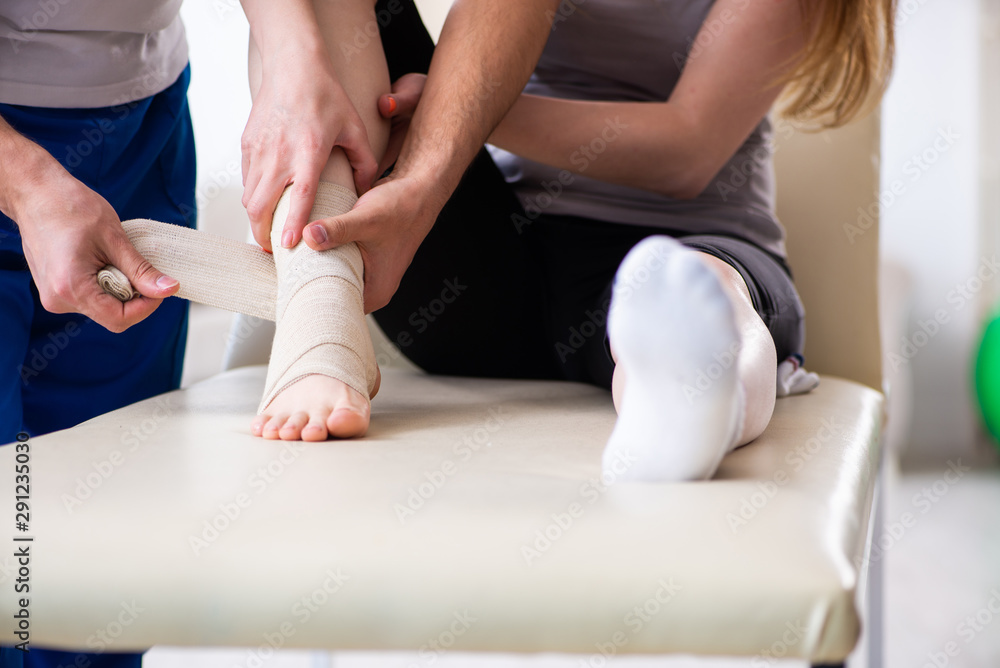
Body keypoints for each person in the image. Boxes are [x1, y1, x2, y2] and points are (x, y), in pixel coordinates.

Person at [265, 0, 894, 481]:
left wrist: (460, 110)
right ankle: (315, 310)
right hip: (493, 266)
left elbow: (687, 148)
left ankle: (693, 400)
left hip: (687, 237)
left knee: (696, 286)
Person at [0, 1, 379, 665]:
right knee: (10, 547)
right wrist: (29, 187)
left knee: (107, 538)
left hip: (138, 119)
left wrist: (294, 59)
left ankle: (322, 299)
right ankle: (324, 303)